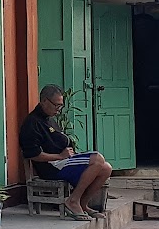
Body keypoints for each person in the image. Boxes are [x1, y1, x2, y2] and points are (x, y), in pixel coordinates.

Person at [19, 84, 112, 221]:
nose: (59, 110)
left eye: (60, 106)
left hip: (64, 162)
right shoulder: (32, 123)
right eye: (56, 105)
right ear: (44, 101)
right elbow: (33, 155)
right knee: (97, 159)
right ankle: (72, 201)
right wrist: (60, 156)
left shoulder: (49, 120)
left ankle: (82, 204)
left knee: (106, 168)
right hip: (52, 167)